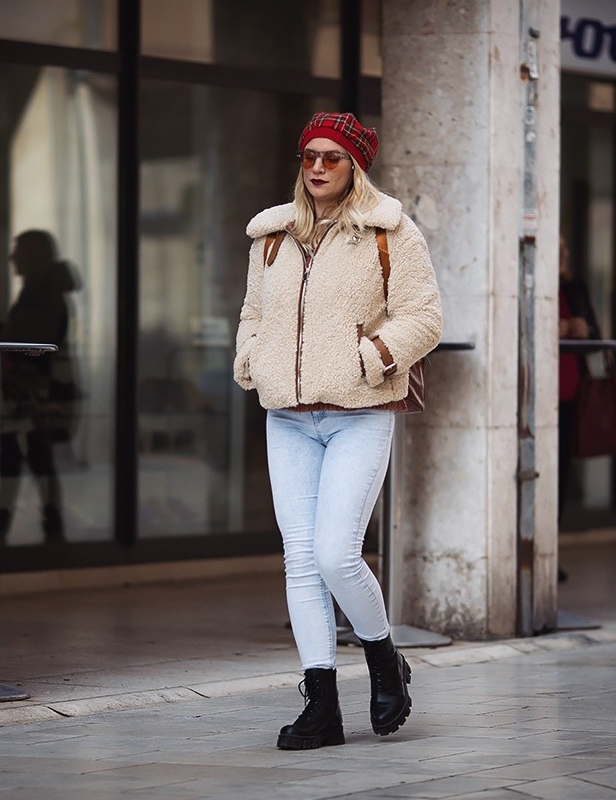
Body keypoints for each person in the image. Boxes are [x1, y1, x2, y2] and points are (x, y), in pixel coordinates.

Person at [233, 113, 442, 750]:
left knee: (335, 554)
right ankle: (321, 707)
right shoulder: (271, 236)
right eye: (310, 156)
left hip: (359, 411)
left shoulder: (390, 231)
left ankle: (384, 662)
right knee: (299, 559)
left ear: (356, 166)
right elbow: (253, 312)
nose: (318, 167)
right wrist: (251, 359)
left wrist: (369, 358)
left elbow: (424, 317)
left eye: (333, 157)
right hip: (288, 418)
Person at [0, 230, 80, 545]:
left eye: (18, 251)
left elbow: (31, 343)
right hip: (31, 395)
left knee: (24, 463)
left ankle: (1, 534)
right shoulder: (42, 293)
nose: (12, 257)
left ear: (33, 256)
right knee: (33, 464)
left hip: (33, 396)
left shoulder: (42, 295)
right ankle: (14, 532)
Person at [557, 234, 600, 581]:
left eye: (565, 248)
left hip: (570, 394)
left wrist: (580, 328)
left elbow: (594, 331)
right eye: (557, 248)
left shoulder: (574, 288)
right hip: (536, 395)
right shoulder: (528, 283)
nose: (564, 253)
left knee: (560, 475)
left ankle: (549, 552)